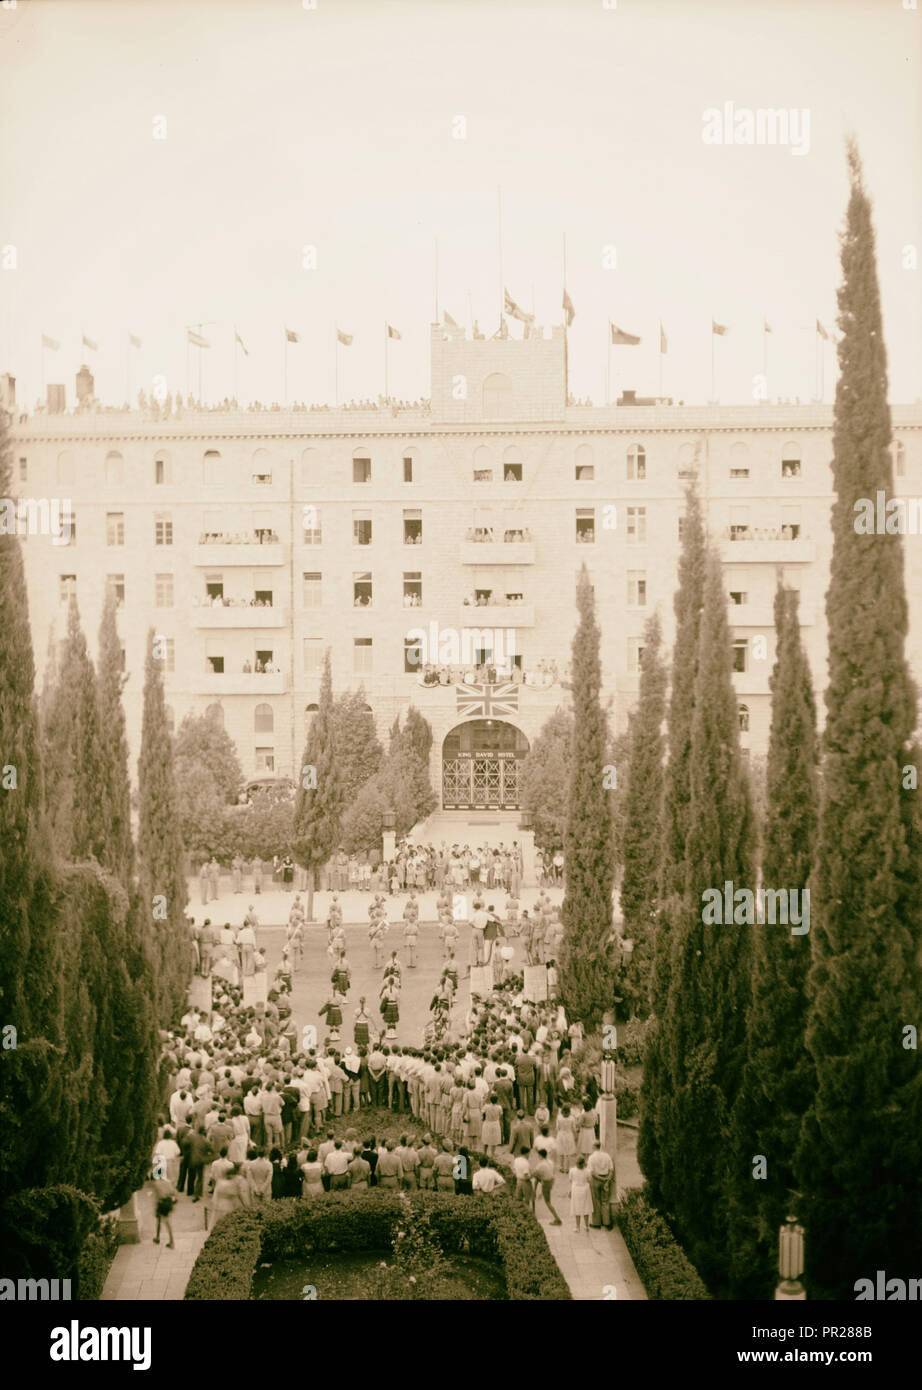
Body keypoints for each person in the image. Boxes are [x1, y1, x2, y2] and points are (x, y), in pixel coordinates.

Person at [588, 1141, 615, 1230]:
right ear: (600, 1147)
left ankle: (597, 1223)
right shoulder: (607, 1156)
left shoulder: (591, 1157)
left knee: (596, 1201)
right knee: (605, 1201)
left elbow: (592, 1172)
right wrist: (607, 1181)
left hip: (596, 1180)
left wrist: (601, 1179)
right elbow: (611, 1170)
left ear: (593, 1147)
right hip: (606, 1179)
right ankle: (607, 1223)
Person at [568, 1155, 593, 1232]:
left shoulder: (572, 1170)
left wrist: (570, 1191)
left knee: (576, 1208)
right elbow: (589, 1180)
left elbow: (570, 1180)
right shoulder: (588, 1171)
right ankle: (586, 1226)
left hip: (576, 1189)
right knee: (586, 1207)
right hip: (585, 1189)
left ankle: (577, 1227)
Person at [152, 1174, 176, 1248]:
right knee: (160, 1220)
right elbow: (173, 1193)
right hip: (168, 1202)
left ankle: (171, 1242)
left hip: (161, 1204)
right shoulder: (168, 1182)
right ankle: (157, 1237)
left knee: (166, 1222)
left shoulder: (156, 1184)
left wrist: (155, 1206)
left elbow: (157, 1196)